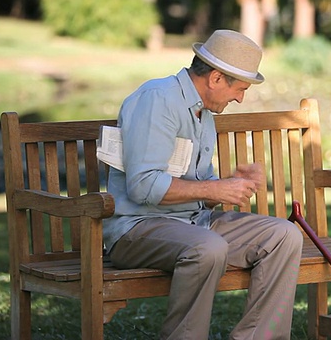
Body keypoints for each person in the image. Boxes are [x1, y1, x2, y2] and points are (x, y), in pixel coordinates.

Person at [103, 29, 303, 340]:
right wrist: (214, 190)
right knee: (207, 247)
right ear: (215, 78)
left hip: (193, 222)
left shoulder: (202, 112)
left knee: (284, 235)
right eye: (240, 89)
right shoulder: (157, 101)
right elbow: (142, 186)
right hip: (137, 229)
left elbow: (196, 186)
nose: (240, 98)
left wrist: (231, 184)